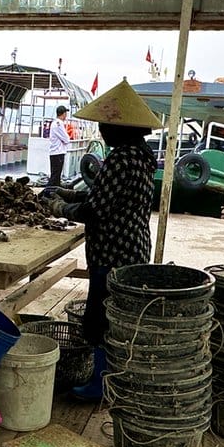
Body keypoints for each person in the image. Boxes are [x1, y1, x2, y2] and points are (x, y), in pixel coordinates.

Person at [40, 80, 161, 399]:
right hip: (132, 245)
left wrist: (58, 206)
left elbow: (96, 210)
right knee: (113, 315)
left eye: (106, 125)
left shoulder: (122, 157)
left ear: (122, 128)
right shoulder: (142, 155)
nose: (103, 131)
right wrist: (68, 191)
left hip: (113, 251)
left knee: (101, 317)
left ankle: (100, 386)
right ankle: (110, 379)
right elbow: (110, 195)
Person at [47, 104, 71, 186]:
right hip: (58, 153)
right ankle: (45, 194)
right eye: (65, 114)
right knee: (55, 176)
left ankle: (54, 192)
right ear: (63, 114)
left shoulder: (55, 123)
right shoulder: (58, 123)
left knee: (56, 177)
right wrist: (67, 139)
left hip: (55, 153)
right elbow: (66, 139)